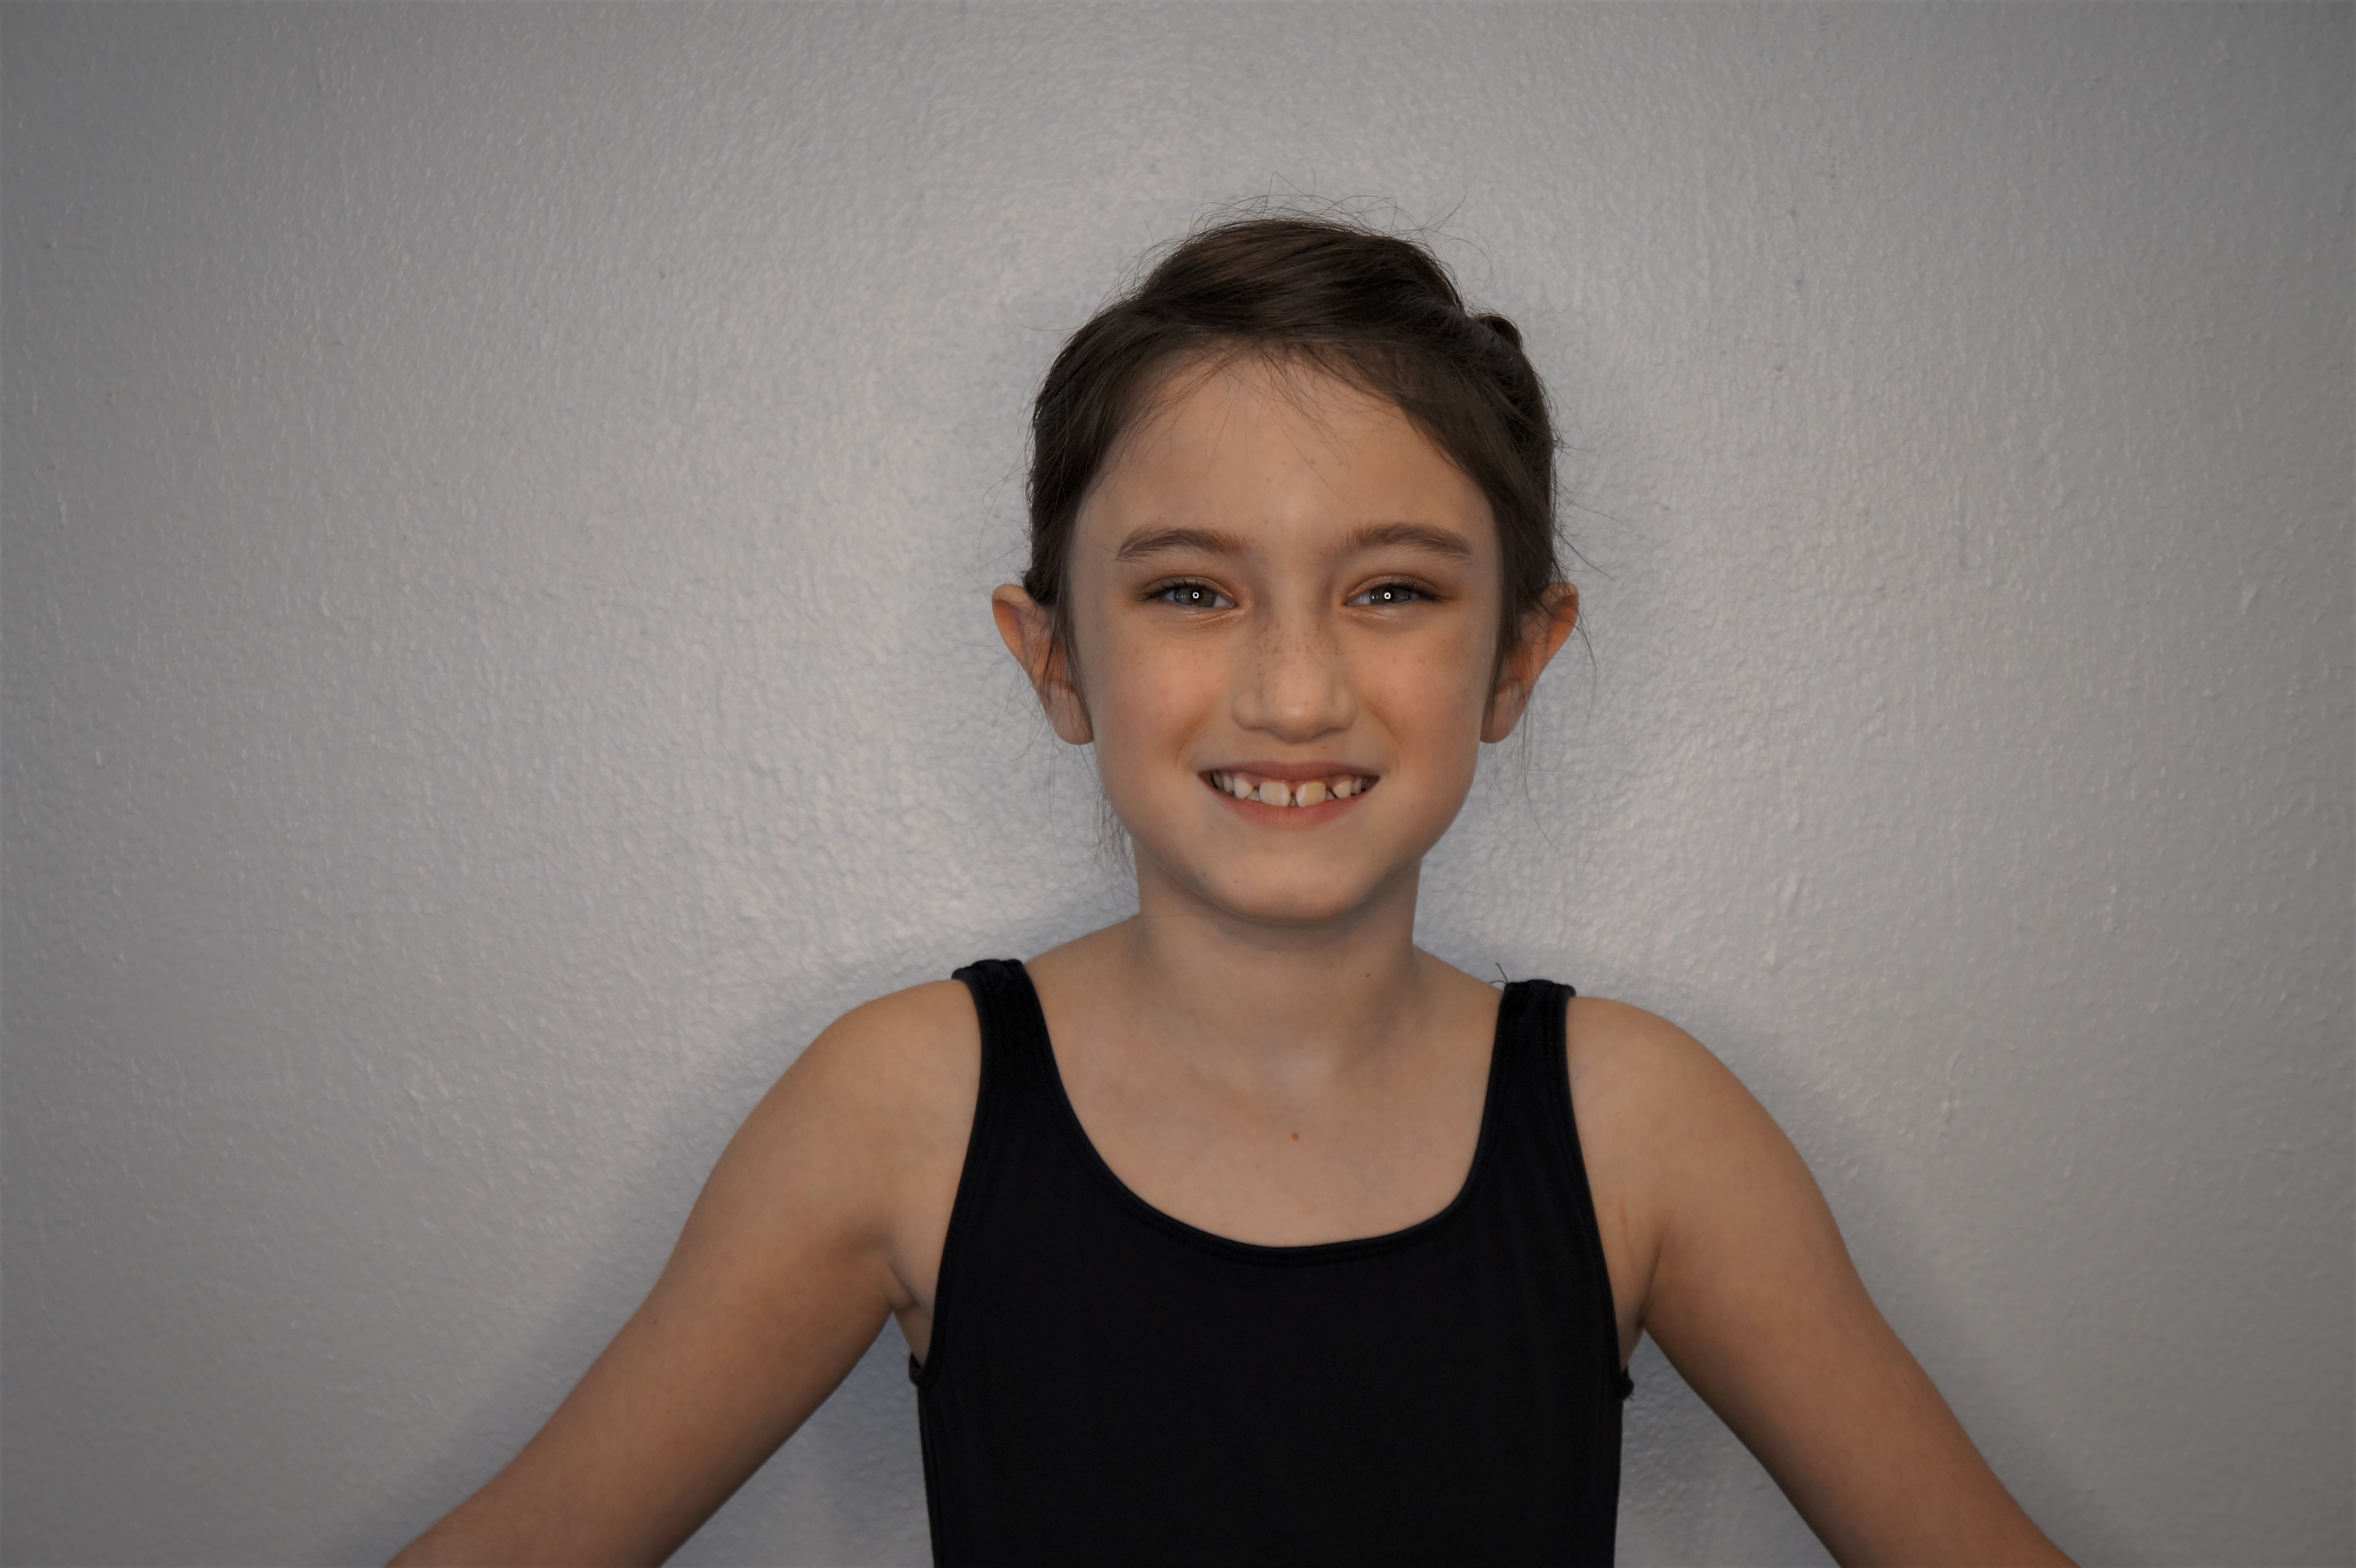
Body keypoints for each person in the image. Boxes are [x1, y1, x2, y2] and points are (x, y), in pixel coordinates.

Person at [393, 215, 2070, 1566]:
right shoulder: (903, 1109)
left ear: (1518, 654)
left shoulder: (1641, 1128)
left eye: (1390, 589)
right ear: (1054, 657)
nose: (1292, 689)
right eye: (1192, 589)